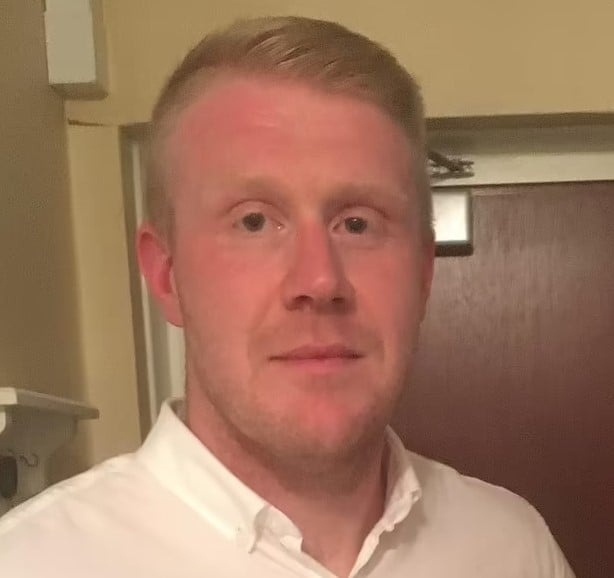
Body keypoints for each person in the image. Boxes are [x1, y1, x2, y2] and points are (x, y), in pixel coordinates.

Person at [0, 16, 574, 578]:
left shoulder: (514, 549)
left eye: (357, 224)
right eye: (254, 221)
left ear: (424, 274)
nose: (319, 281)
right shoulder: (30, 563)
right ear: (166, 274)